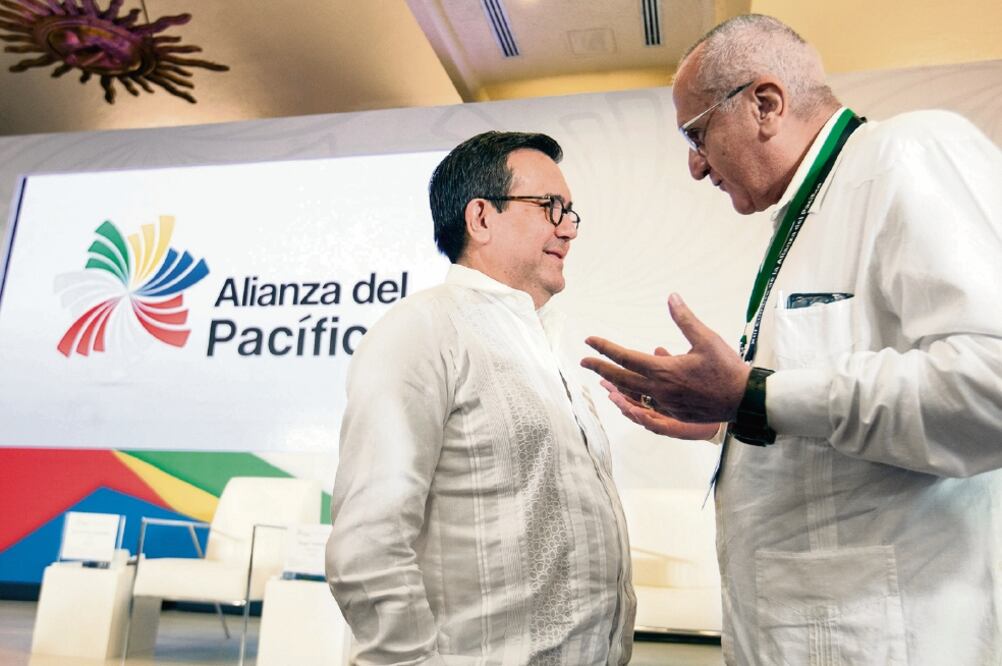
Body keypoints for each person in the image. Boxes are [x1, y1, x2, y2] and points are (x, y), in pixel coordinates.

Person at [581, 14, 1002, 666]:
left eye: (696, 134)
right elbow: (830, 436)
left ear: (766, 104)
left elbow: (990, 385)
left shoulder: (909, 152)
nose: (695, 167)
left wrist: (753, 397)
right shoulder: (810, 215)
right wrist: (727, 420)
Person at [327, 131, 635, 665]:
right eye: (550, 207)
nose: (568, 228)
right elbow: (367, 544)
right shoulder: (420, 330)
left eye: (570, 211)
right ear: (481, 218)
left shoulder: (546, 348)